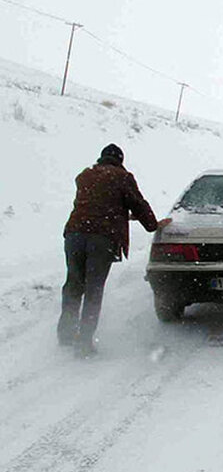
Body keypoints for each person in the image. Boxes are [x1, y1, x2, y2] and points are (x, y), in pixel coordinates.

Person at [59, 143, 170, 357]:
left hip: (74, 234)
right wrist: (153, 225)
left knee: (73, 283)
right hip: (101, 238)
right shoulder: (122, 177)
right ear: (120, 160)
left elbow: (94, 204)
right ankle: (84, 343)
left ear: (101, 158)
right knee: (93, 288)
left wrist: (118, 213)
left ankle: (65, 332)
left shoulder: (85, 176)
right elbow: (138, 203)